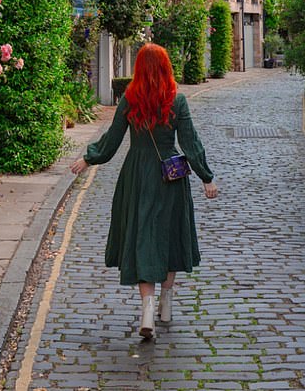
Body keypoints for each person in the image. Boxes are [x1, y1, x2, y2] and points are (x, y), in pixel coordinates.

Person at [70, 42, 219, 340]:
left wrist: (89, 158)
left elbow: (112, 140)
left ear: (138, 68)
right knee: (170, 236)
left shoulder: (130, 98)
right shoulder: (176, 100)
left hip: (137, 174)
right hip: (171, 176)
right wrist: (206, 177)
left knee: (142, 236)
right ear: (166, 67)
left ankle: (147, 309)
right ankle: (166, 303)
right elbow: (190, 142)